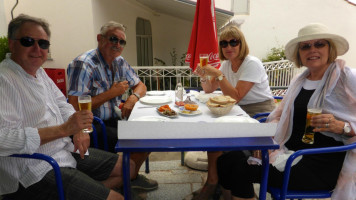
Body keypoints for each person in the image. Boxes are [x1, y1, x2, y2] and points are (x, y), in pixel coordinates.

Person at [0, 14, 136, 200]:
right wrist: (65, 129)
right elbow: (2, 139)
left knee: (129, 167)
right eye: (28, 41)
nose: (37, 49)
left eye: (44, 44)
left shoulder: (39, 73)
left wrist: (78, 130)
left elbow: (63, 106)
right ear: (12, 43)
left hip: (65, 149)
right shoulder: (4, 79)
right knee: (117, 198)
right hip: (33, 168)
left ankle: (88, 191)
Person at [217, 23, 356, 200]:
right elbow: (279, 116)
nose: (312, 49)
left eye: (319, 44)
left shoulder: (346, 77)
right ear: (299, 53)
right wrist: (266, 141)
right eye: (305, 46)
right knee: (226, 159)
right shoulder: (299, 80)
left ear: (330, 48)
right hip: (288, 152)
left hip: (319, 164)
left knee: (239, 168)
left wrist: (342, 126)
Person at [67, 21, 157, 192]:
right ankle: (125, 180)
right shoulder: (84, 64)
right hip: (92, 125)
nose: (118, 44)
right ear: (100, 39)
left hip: (115, 118)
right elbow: (74, 106)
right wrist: (111, 93)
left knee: (150, 135)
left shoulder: (119, 61)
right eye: (113, 39)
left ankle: (129, 177)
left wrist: (133, 98)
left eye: (122, 42)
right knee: (139, 140)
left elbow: (140, 86)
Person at [191, 25, 275, 200]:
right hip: (237, 111)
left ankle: (219, 184)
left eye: (233, 42)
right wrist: (205, 75)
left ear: (241, 44)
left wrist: (219, 75)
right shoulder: (226, 64)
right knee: (213, 133)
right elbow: (208, 89)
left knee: (222, 140)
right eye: (224, 43)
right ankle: (214, 182)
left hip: (259, 113)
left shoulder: (251, 63)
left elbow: (236, 96)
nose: (228, 47)